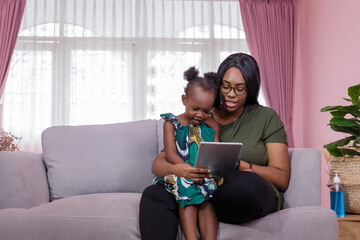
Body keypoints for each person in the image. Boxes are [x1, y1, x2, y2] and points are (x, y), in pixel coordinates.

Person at [139, 53, 290, 240]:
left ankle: (199, 200)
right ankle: (193, 202)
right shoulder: (199, 116)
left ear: (250, 88)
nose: (231, 94)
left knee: (244, 186)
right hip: (200, 188)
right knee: (154, 194)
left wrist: (240, 166)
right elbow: (161, 164)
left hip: (240, 193)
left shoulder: (266, 117)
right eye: (226, 86)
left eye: (240, 89)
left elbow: (282, 178)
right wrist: (184, 171)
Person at [154, 66, 220, 240]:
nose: (200, 115)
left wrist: (209, 171)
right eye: (195, 108)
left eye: (207, 111)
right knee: (188, 186)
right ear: (184, 99)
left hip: (203, 172)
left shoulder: (212, 126)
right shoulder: (171, 124)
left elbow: (216, 152)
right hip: (179, 171)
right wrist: (187, 171)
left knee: (207, 194)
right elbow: (170, 154)